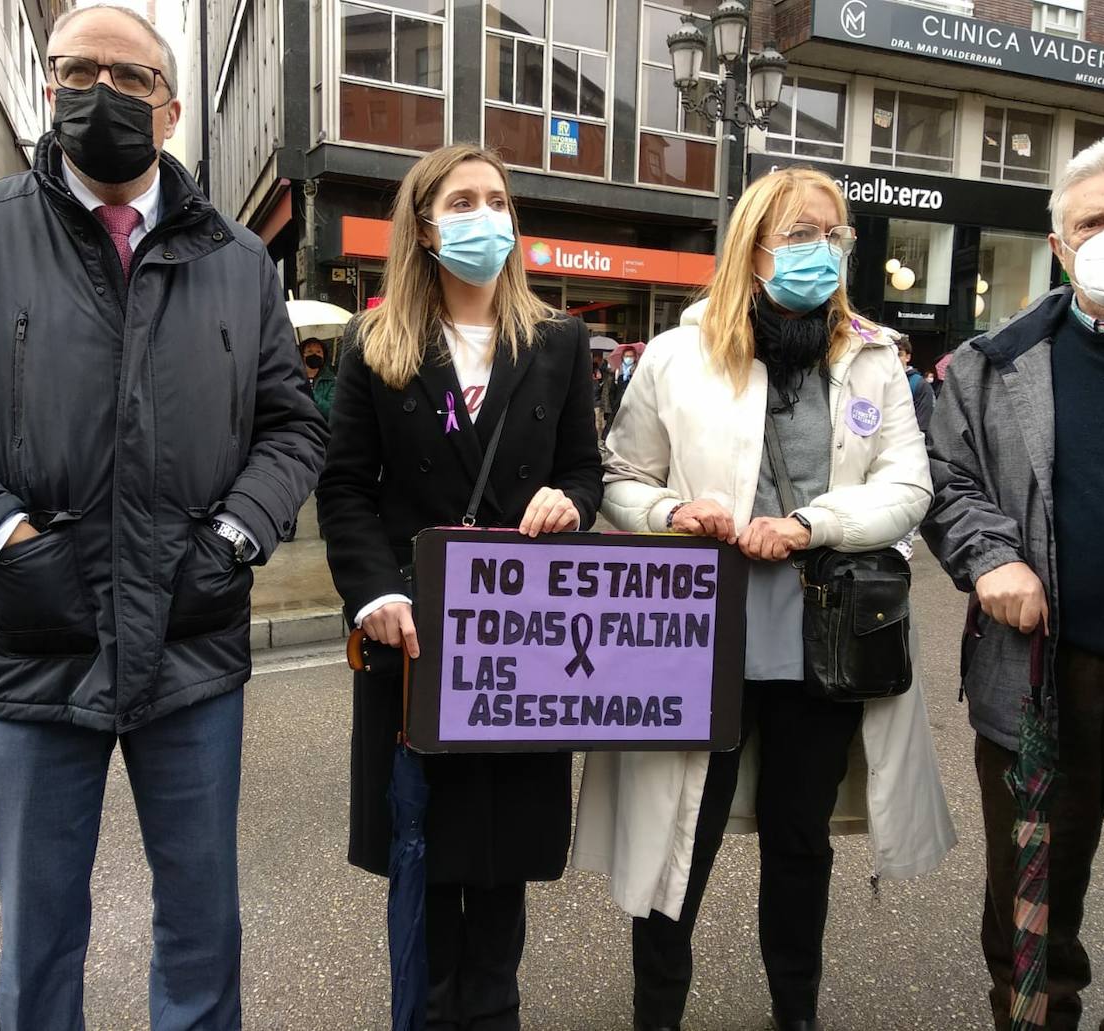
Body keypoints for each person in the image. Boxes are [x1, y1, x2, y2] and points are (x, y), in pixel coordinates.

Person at [0, 6, 327, 1029]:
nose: (101, 92)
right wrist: (1, 540)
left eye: (130, 76)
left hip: (192, 643)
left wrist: (236, 537)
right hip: (37, 642)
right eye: (78, 69)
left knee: (203, 929)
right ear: (49, 83)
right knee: (39, 934)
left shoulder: (241, 261)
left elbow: (292, 430)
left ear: (173, 108)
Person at [572, 166, 955, 1031]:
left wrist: (811, 523)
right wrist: (675, 509)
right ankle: (657, 1013)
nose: (820, 250)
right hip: (697, 642)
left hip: (820, 642)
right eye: (799, 234)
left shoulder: (873, 356)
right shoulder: (677, 354)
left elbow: (909, 485)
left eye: (834, 234)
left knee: (799, 843)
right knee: (681, 839)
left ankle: (796, 1010)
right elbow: (621, 479)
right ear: (752, 250)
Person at [922, 134, 1104, 1030]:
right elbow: (945, 478)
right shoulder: (992, 362)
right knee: (1030, 917)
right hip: (1043, 681)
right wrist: (990, 557)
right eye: (1095, 220)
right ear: (1060, 244)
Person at [317, 143, 602, 1031]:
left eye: (497, 198)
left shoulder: (557, 342)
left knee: (503, 871)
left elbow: (586, 475)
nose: (486, 215)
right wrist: (373, 593)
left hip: (522, 648)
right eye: (463, 200)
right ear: (425, 225)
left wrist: (572, 504)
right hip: (413, 643)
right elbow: (345, 488)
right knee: (428, 866)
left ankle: (495, 1013)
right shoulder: (378, 342)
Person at [897, 334, 935, 435]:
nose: (894, 358)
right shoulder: (879, 381)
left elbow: (923, 425)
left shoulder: (920, 385)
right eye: (891, 354)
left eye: (899, 354)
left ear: (908, 357)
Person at [300, 335, 336, 420]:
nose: (314, 354)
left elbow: (332, 412)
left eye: (318, 351)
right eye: (309, 351)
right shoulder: (293, 379)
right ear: (302, 356)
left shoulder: (331, 382)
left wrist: (311, 393)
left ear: (323, 357)